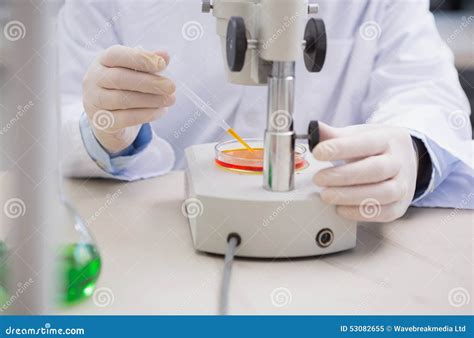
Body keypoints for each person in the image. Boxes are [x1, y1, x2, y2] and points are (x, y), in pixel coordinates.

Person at [58, 0, 473, 222]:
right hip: (158, 238)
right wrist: (104, 129)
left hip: (340, 232)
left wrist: (411, 151)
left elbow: (425, 90)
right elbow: (48, 117)